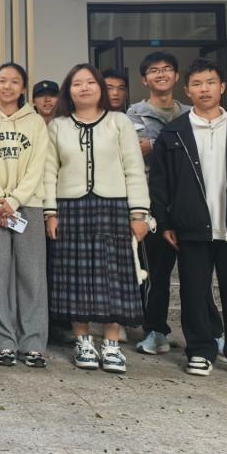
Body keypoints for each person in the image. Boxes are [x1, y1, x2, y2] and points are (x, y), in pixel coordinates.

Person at [149, 59, 227, 381]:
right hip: (190, 228)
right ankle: (200, 351)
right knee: (194, 292)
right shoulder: (174, 133)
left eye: (211, 82)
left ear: (222, 87)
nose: (205, 89)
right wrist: (165, 221)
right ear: (187, 90)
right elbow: (160, 183)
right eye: (198, 84)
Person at [44, 64, 150, 373]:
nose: (84, 88)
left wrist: (139, 213)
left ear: (100, 88)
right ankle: (83, 341)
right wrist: (50, 212)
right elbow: (49, 171)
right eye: (77, 83)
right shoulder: (58, 126)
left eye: (90, 82)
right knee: (75, 276)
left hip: (113, 207)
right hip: (70, 208)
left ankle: (112, 344)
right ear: (69, 91)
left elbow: (134, 168)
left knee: (112, 276)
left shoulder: (119, 122)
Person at [127, 51, 223, 357]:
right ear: (145, 80)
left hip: (193, 201)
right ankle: (155, 331)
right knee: (156, 273)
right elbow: (134, 152)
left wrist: (154, 144)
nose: (161, 74)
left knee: (200, 274)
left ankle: (214, 332)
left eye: (166, 69)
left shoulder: (192, 111)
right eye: (153, 70)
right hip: (153, 202)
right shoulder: (134, 114)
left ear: (177, 77)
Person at [0, 62, 50, 368]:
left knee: (32, 276)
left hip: (28, 205)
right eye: (2, 81)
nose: (6, 86)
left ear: (23, 87)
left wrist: (15, 200)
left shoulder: (36, 122)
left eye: (14, 81)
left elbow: (37, 166)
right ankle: (3, 342)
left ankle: (33, 342)